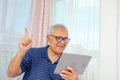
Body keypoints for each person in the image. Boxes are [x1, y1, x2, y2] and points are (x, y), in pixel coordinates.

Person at [7, 24, 78, 80]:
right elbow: (11, 74)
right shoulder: (33, 53)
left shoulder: (67, 62)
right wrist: (21, 52)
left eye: (65, 39)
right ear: (48, 38)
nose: (62, 42)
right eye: (58, 38)